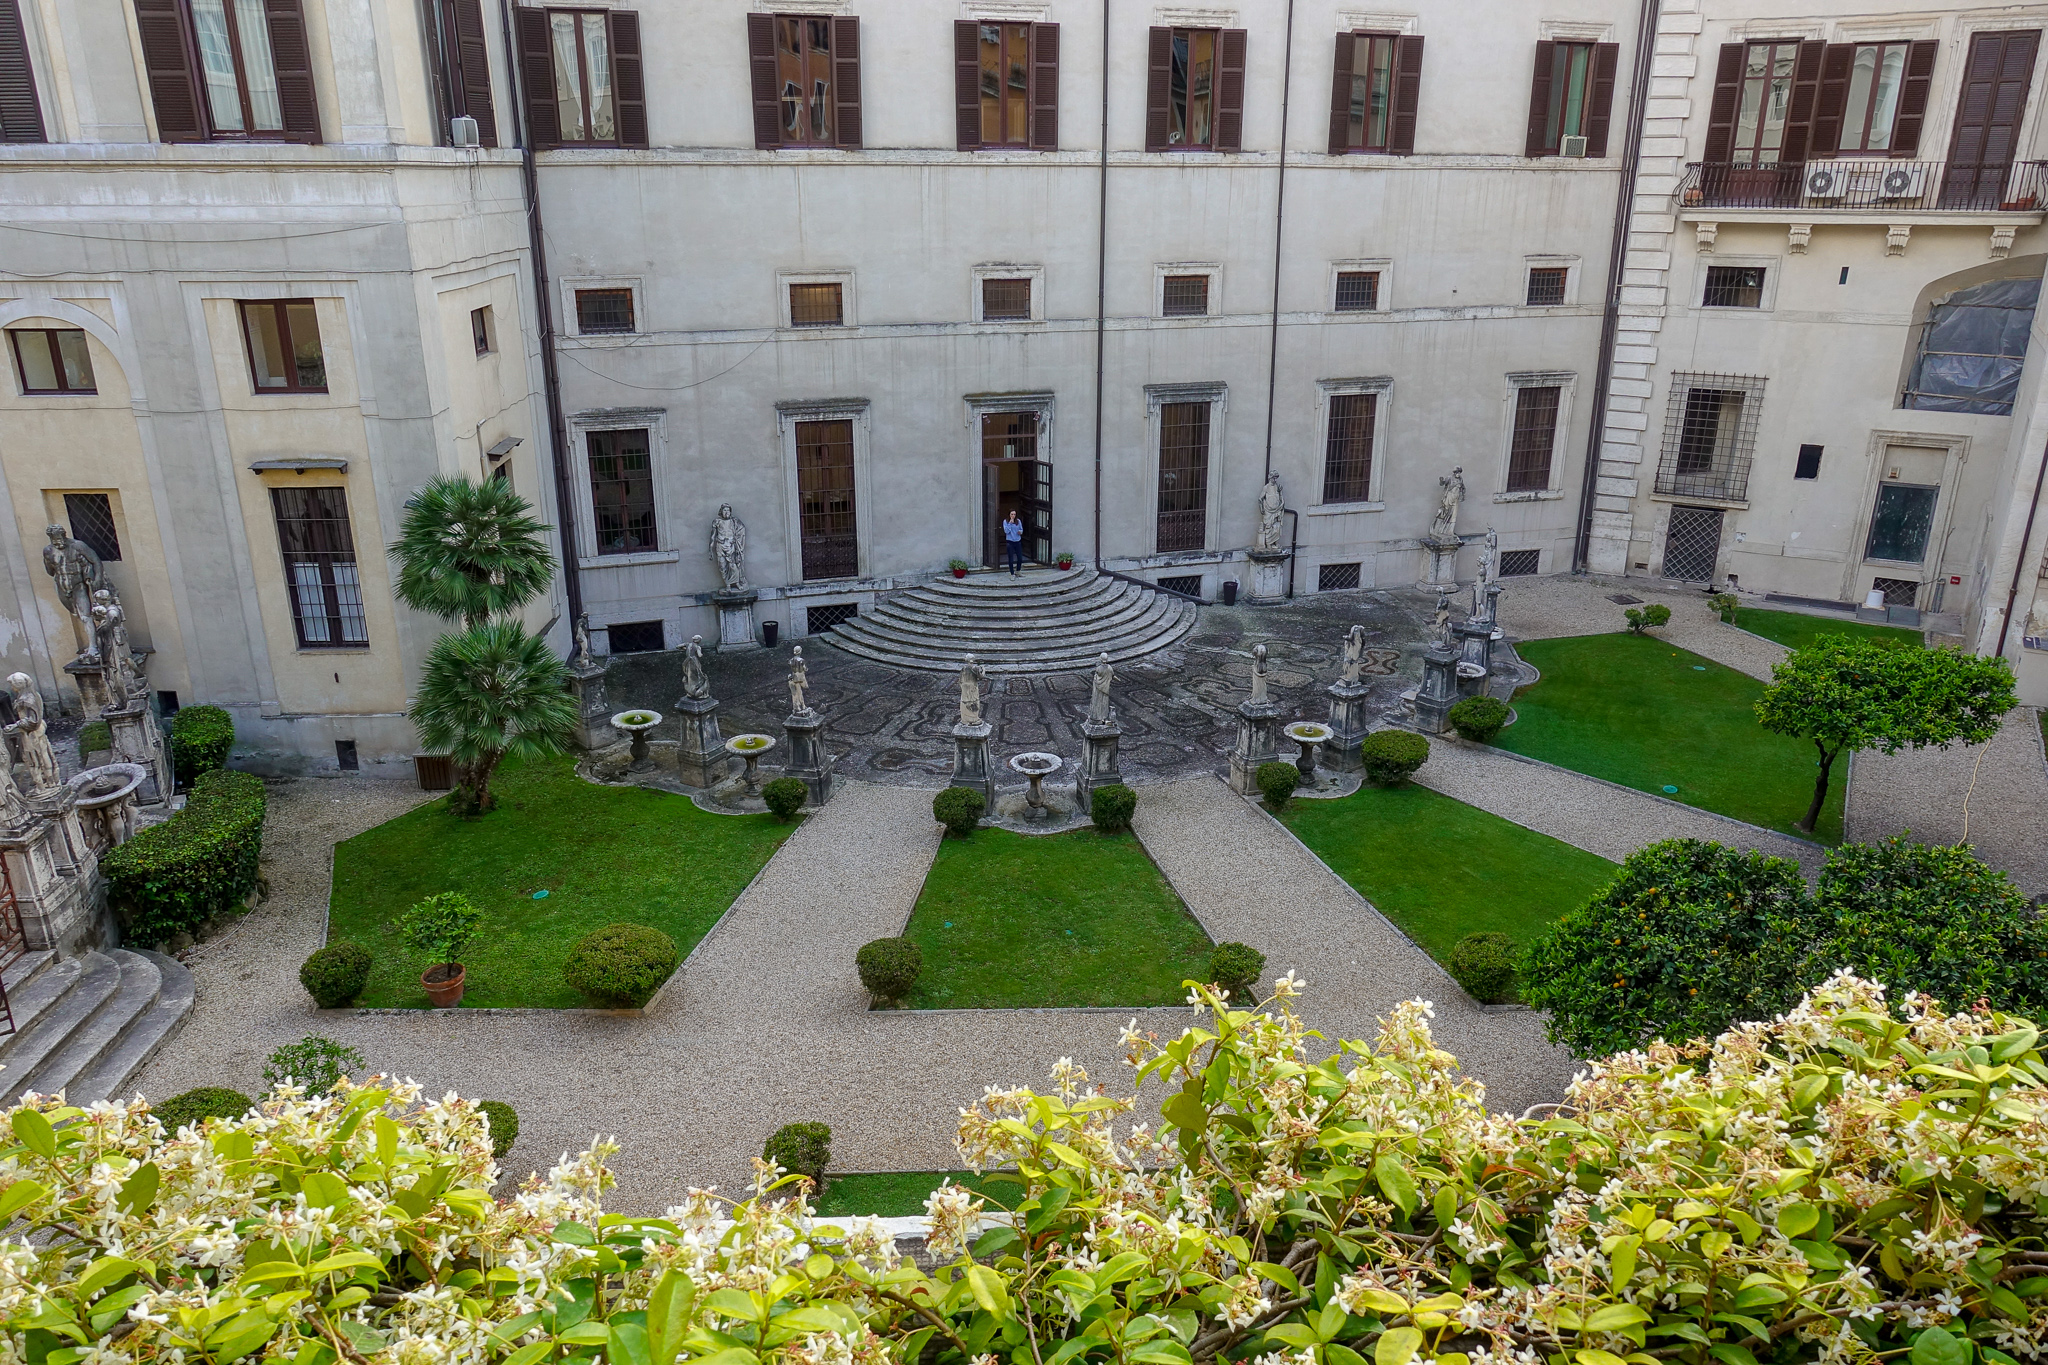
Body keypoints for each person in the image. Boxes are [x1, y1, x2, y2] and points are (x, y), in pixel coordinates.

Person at [1002, 510, 1025, 576]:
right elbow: (1006, 531)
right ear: (1009, 514)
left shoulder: (1018, 521)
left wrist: (1020, 532)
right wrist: (1010, 523)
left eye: (1014, 514)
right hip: (1010, 542)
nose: (1013, 516)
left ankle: (1018, 571)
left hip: (1017, 541)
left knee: (1020, 558)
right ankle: (1012, 573)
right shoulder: (1006, 521)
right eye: (1012, 514)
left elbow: (1021, 529)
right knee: (1011, 559)